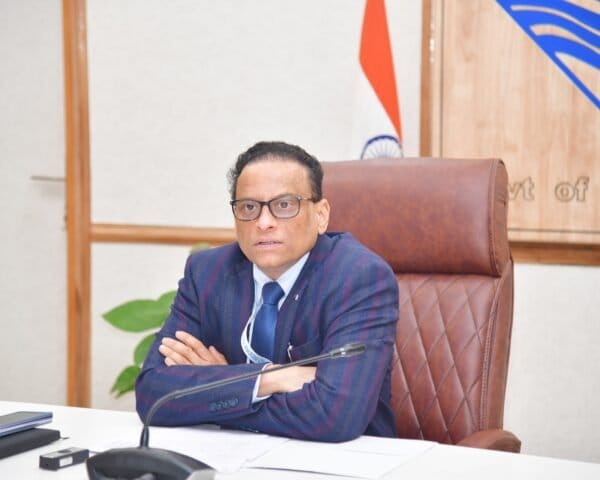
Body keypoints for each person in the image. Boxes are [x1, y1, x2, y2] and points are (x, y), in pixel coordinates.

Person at [135, 141, 399, 442]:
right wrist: (269, 378)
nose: (263, 223)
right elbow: (153, 394)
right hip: (231, 455)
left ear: (321, 215)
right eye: (249, 207)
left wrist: (223, 389)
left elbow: (336, 416)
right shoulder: (207, 273)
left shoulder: (358, 277)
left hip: (345, 459)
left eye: (284, 205)